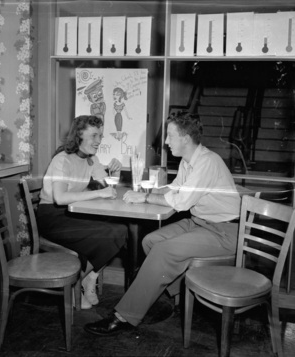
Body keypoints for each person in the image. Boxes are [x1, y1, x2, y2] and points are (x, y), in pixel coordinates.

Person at [84, 110, 241, 335]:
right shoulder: (190, 162)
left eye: (170, 136)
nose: (166, 142)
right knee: (151, 240)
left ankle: (123, 316)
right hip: (200, 222)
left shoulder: (207, 162)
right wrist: (145, 191)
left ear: (186, 138)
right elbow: (174, 188)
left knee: (164, 251)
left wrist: (146, 197)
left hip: (225, 231)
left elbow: (181, 201)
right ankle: (181, 298)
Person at [37, 115, 128, 310]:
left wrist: (115, 171)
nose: (99, 141)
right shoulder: (61, 160)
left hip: (73, 214)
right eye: (94, 135)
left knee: (120, 229)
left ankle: (89, 278)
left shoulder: (90, 159)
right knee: (111, 233)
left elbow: (108, 188)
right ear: (78, 135)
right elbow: (60, 198)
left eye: (100, 136)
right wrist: (98, 193)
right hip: (53, 216)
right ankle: (74, 286)